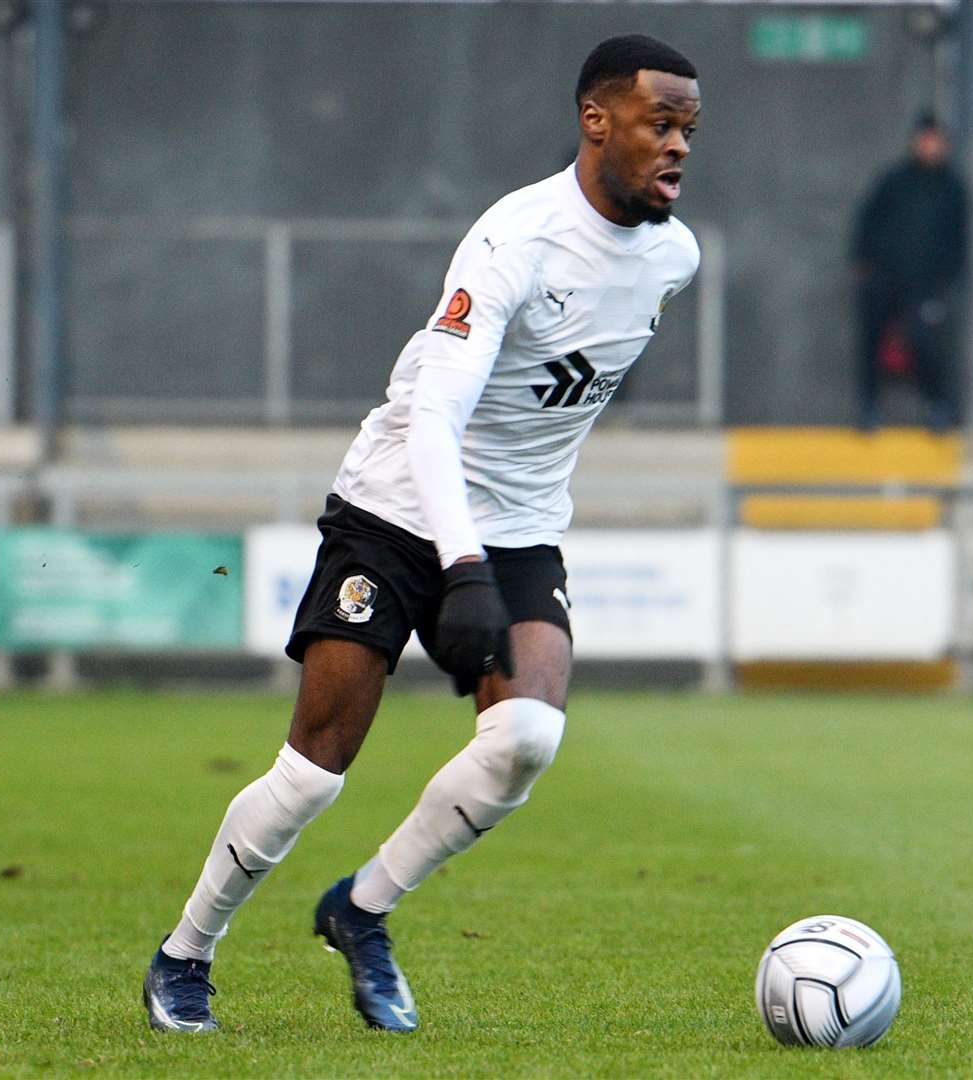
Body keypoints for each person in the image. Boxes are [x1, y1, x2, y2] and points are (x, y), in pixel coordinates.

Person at [141, 34, 701, 1034]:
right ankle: (186, 954)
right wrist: (461, 570)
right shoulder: (512, 244)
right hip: (400, 508)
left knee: (527, 736)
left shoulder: (675, 258)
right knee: (315, 765)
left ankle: (360, 911)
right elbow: (435, 420)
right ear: (596, 120)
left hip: (521, 529)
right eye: (660, 123)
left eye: (688, 130)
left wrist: (496, 556)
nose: (678, 147)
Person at [850, 114, 968, 431]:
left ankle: (937, 405)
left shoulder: (952, 187)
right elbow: (869, 220)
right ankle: (869, 408)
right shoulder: (895, 179)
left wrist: (947, 275)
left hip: (925, 282)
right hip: (885, 276)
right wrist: (864, 262)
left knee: (925, 341)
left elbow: (958, 236)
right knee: (872, 341)